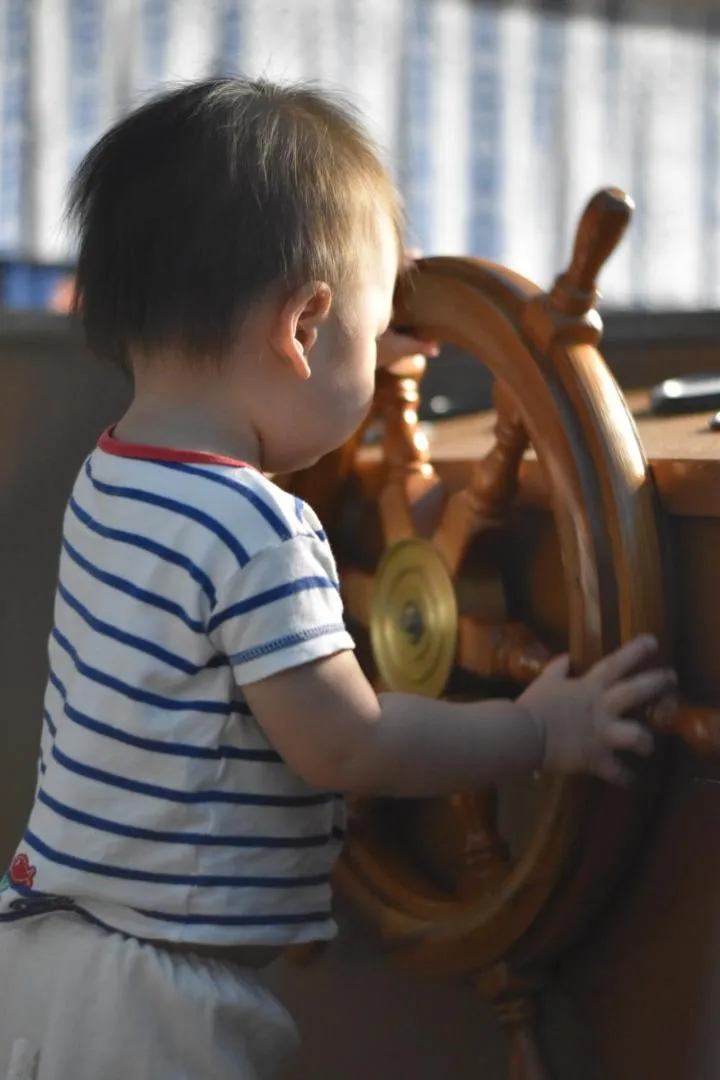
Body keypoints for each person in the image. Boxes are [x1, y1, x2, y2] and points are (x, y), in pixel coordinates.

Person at [0, 78, 675, 1080]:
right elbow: (348, 745)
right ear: (304, 329)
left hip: (46, 957)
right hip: (158, 1009)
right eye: (363, 339)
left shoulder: (115, 474)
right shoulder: (261, 528)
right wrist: (543, 729)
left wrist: (350, 347)